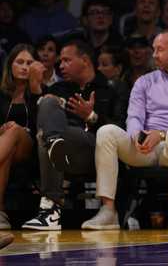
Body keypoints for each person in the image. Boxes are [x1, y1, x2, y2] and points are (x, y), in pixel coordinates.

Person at [82, 32, 168, 230]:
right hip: (145, 147)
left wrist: (161, 134)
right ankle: (108, 211)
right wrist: (136, 136)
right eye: (154, 49)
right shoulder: (144, 81)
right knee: (106, 131)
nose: (154, 54)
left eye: (160, 49)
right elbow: (134, 116)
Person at [22, 40, 124, 230]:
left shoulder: (111, 90)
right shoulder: (59, 89)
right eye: (60, 62)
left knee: (46, 136)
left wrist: (91, 117)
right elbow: (36, 123)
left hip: (97, 153)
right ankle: (54, 143)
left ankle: (51, 208)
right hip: (64, 154)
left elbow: (121, 129)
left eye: (67, 60)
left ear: (84, 60)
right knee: (47, 108)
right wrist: (37, 90)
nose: (60, 66)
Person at [0, 45, 44, 229]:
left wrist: (35, 88)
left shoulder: (40, 92)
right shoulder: (1, 94)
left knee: (16, 130)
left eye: (29, 62)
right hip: (6, 148)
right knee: (8, 146)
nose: (25, 67)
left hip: (31, 150)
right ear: (10, 65)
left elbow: (43, 127)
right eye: (20, 62)